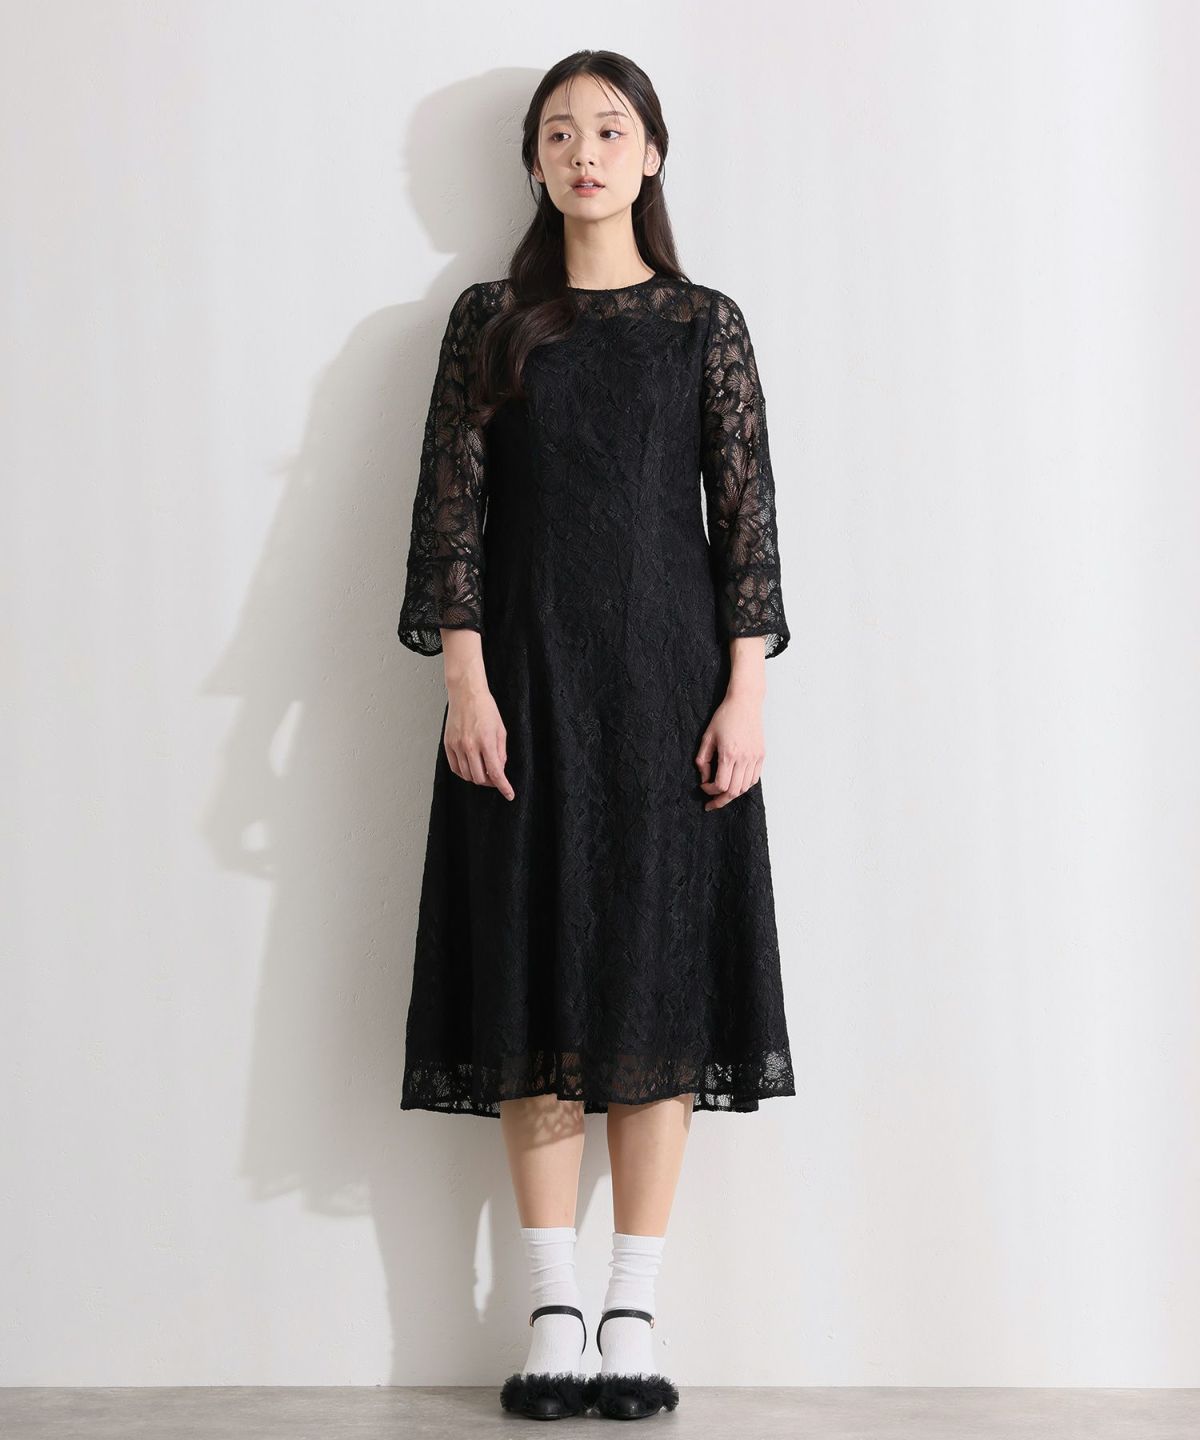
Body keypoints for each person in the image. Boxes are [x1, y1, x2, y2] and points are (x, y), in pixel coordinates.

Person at [395, 50, 795, 1421]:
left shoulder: (704, 326)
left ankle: (633, 1307)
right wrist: (463, 682)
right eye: (560, 133)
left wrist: (745, 694)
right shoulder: (492, 321)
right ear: (533, 161)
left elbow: (746, 526)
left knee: (656, 983)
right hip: (524, 696)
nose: (586, 153)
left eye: (611, 130)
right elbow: (450, 514)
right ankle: (551, 1307)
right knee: (534, 978)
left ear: (652, 153)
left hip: (672, 700)